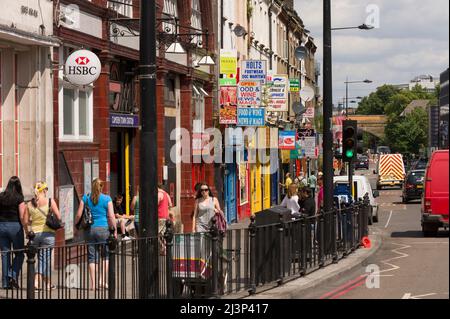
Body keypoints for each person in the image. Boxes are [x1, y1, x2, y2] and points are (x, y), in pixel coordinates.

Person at [75, 178, 116, 290]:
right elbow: (111, 216)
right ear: (102, 187)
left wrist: (76, 225)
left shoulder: (86, 198)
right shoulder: (107, 199)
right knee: (105, 256)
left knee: (92, 257)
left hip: (90, 230)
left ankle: (93, 285)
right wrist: (115, 231)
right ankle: (102, 280)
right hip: (103, 229)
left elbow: (79, 214)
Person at [24, 181, 61, 290]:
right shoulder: (50, 201)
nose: (46, 191)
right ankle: (36, 281)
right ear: (44, 190)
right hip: (48, 234)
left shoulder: (29, 204)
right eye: (46, 189)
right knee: (44, 259)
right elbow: (58, 217)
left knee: (44, 259)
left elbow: (25, 221)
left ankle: (48, 284)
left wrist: (28, 232)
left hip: (34, 234)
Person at [0, 176, 26, 289]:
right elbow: (21, 215)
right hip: (15, 227)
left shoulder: (1, 196)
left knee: (5, 254)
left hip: (1, 226)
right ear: (18, 185)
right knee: (20, 253)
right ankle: (12, 274)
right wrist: (26, 227)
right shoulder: (19, 197)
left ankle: (5, 283)